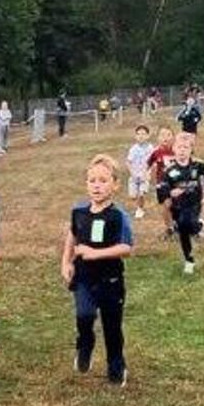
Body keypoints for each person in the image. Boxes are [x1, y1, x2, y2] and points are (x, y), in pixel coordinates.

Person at [61, 152, 134, 388]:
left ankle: (116, 366)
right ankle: (85, 345)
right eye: (92, 180)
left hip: (110, 280)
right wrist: (66, 262)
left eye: (103, 180)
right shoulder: (79, 212)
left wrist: (95, 253)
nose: (97, 186)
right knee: (84, 316)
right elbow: (72, 236)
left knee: (112, 327)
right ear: (86, 184)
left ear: (115, 185)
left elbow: (126, 248)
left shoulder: (118, 216)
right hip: (84, 277)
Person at [156, 130, 204, 276]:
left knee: (187, 224)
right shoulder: (169, 169)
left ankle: (198, 225)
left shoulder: (198, 165)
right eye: (179, 147)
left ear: (191, 150)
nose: (182, 150)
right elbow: (163, 187)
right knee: (183, 230)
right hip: (177, 206)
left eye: (186, 147)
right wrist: (170, 193)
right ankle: (189, 259)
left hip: (194, 203)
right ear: (174, 149)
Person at [124, 122, 154, 218]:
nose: (141, 136)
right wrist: (132, 172)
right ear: (135, 136)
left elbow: (153, 162)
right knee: (133, 196)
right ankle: (137, 203)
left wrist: (148, 173)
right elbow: (128, 162)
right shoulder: (133, 149)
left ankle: (140, 209)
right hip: (134, 175)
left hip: (144, 175)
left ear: (148, 136)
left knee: (141, 194)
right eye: (138, 134)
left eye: (143, 134)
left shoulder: (150, 148)